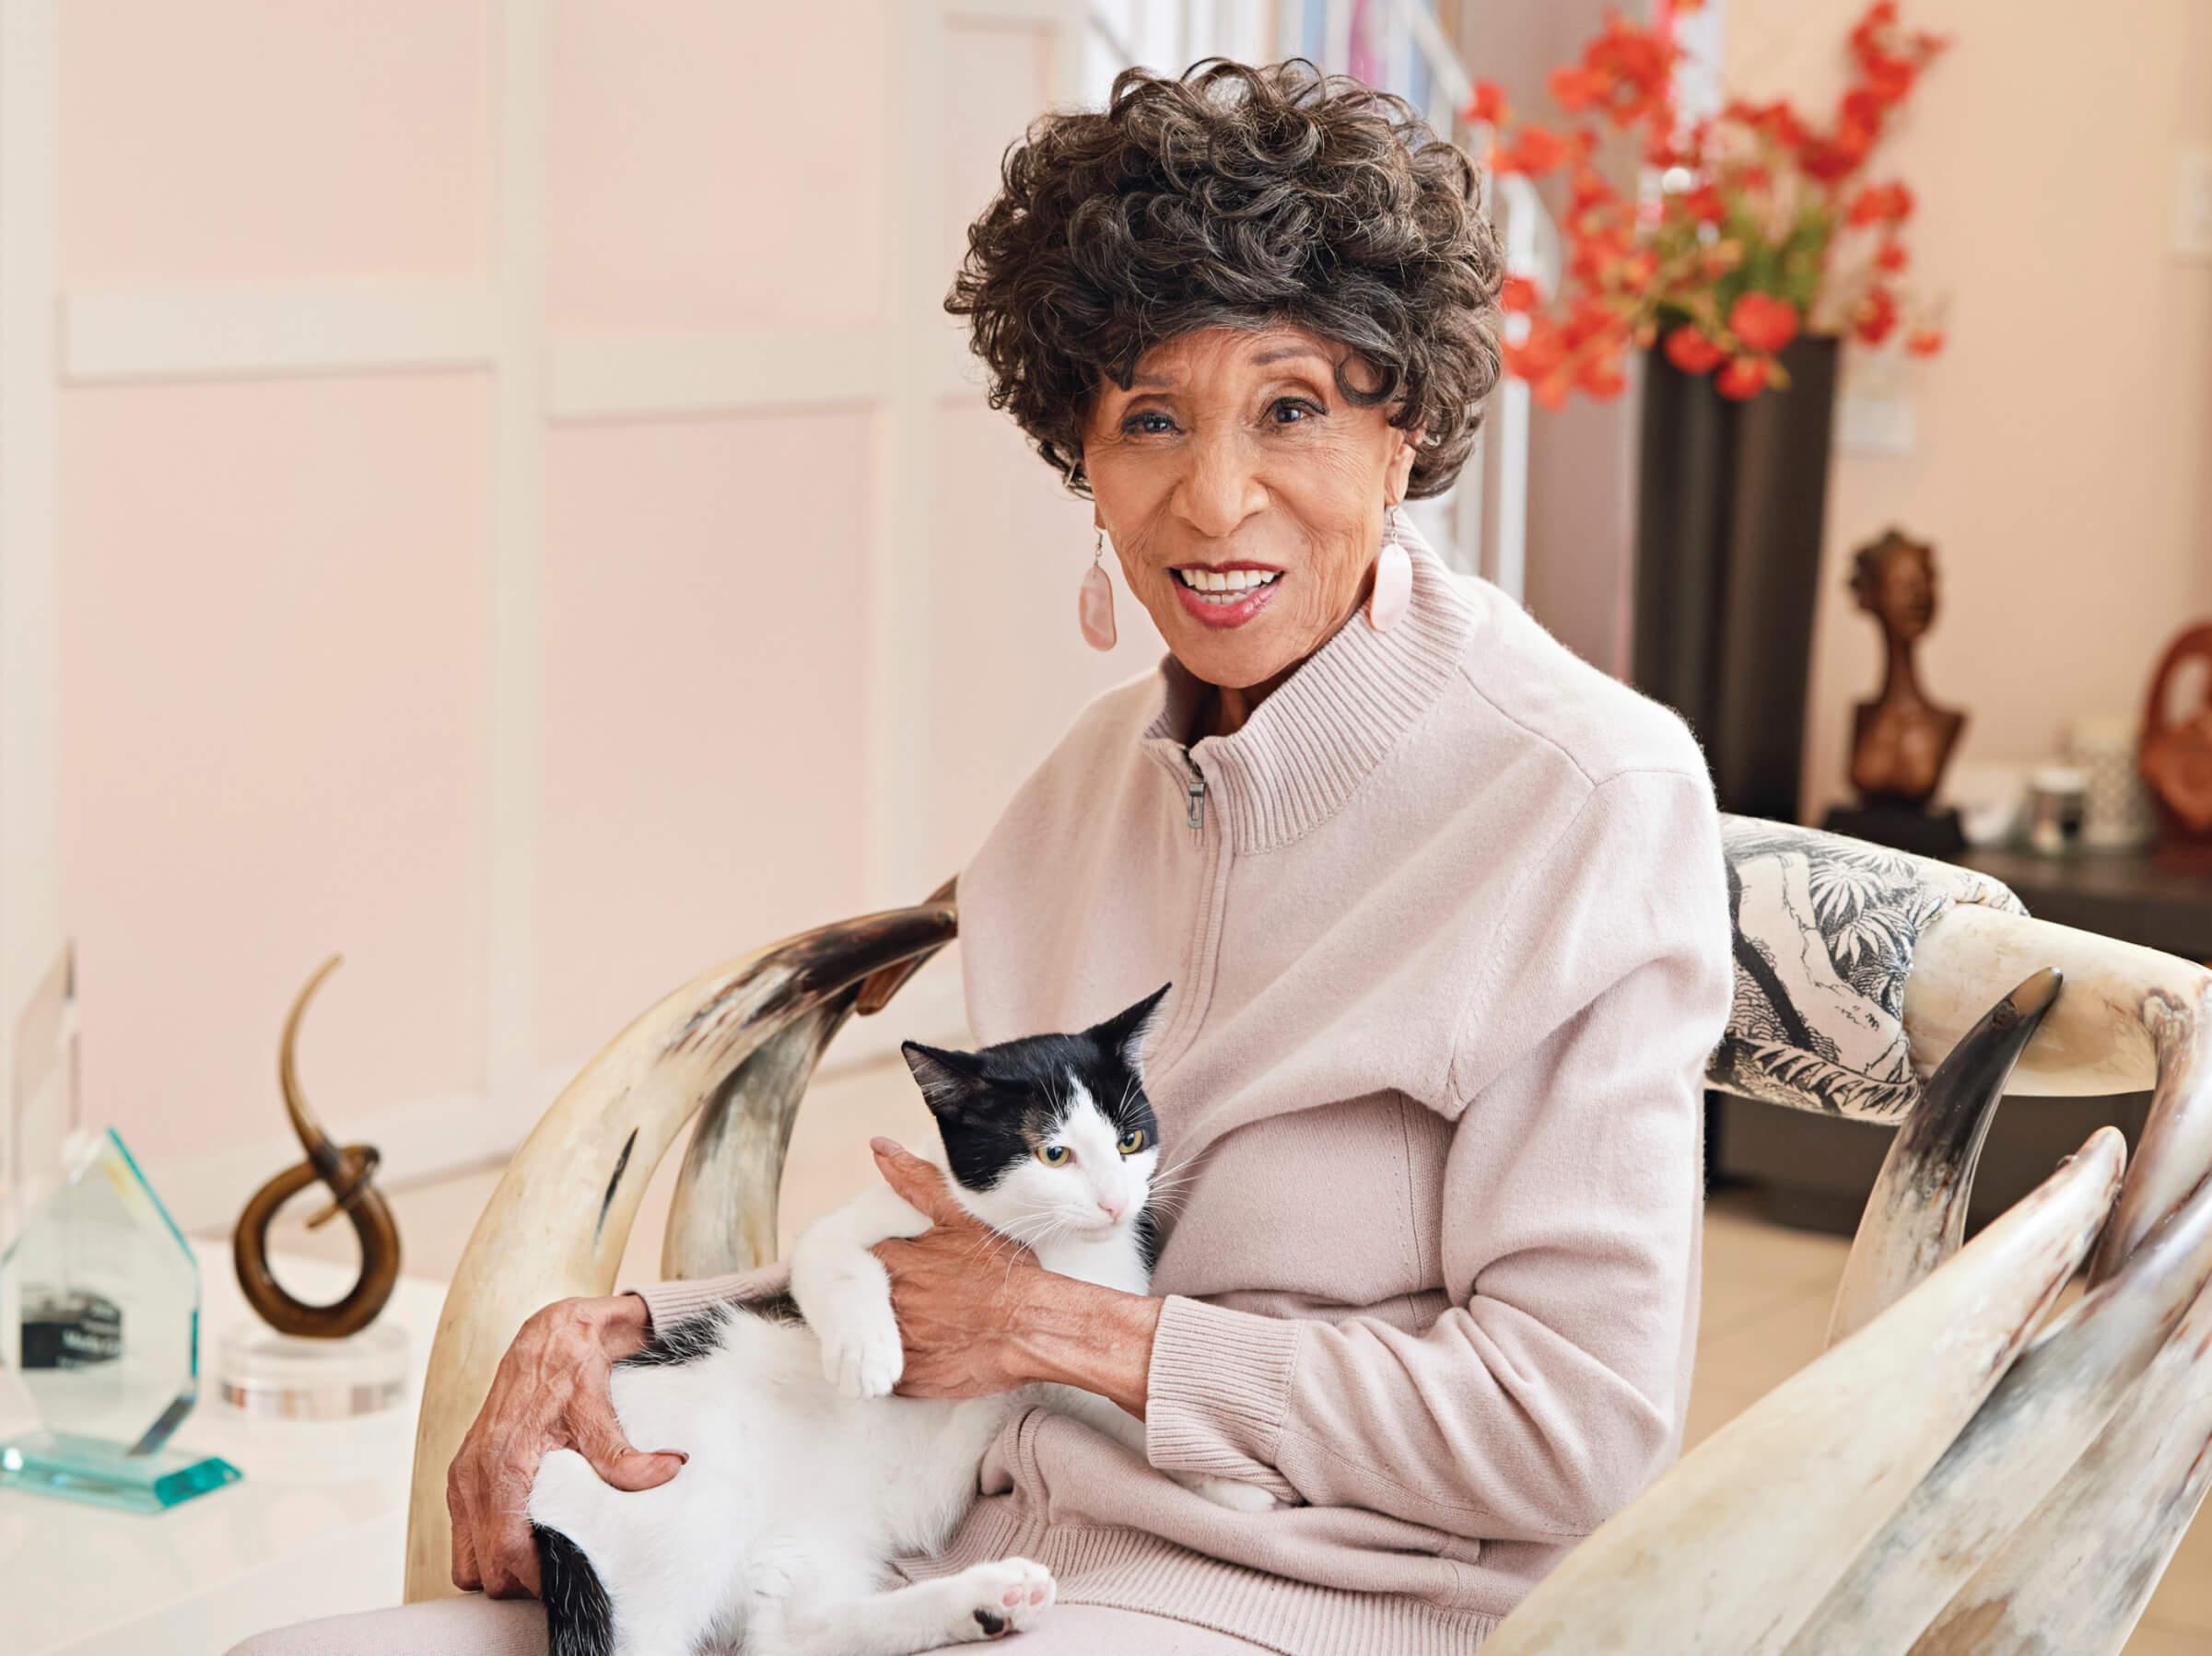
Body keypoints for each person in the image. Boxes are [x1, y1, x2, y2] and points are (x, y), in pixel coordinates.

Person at [233, 57, 1732, 1655]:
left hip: (1313, 1600)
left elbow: (1575, 1420)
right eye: (1149, 418)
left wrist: (1082, 1335)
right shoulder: (1075, 796)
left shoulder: (1580, 800)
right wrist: (621, 1326)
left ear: (1402, 425)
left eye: (1290, 408)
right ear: (1081, 454)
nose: (1214, 496)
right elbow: (978, 1284)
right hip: (946, 1554)